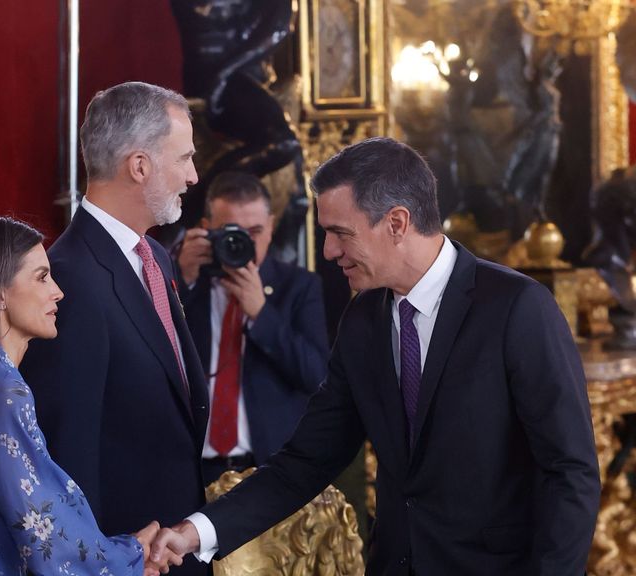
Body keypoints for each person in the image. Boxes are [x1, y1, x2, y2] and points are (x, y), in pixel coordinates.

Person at [151, 137, 601, 575]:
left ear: (397, 223)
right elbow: (305, 462)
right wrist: (194, 533)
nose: (328, 251)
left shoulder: (517, 308)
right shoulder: (363, 318)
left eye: (339, 233)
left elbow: (570, 474)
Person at [0, 216, 179, 575]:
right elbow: (42, 528)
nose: (57, 291)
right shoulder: (0, 392)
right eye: (42, 277)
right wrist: (132, 556)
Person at [20, 82, 210, 576]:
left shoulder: (155, 257)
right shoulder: (71, 277)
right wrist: (102, 562)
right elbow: (69, 450)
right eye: (184, 158)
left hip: (172, 546)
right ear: (140, 165)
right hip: (125, 555)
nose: (192, 176)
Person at [174, 171, 328, 485]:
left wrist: (261, 313)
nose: (243, 243)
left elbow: (317, 376)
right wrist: (184, 279)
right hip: (189, 467)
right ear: (207, 230)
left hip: (268, 465)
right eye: (231, 233)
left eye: (255, 231)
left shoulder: (298, 286)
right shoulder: (184, 282)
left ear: (271, 226)